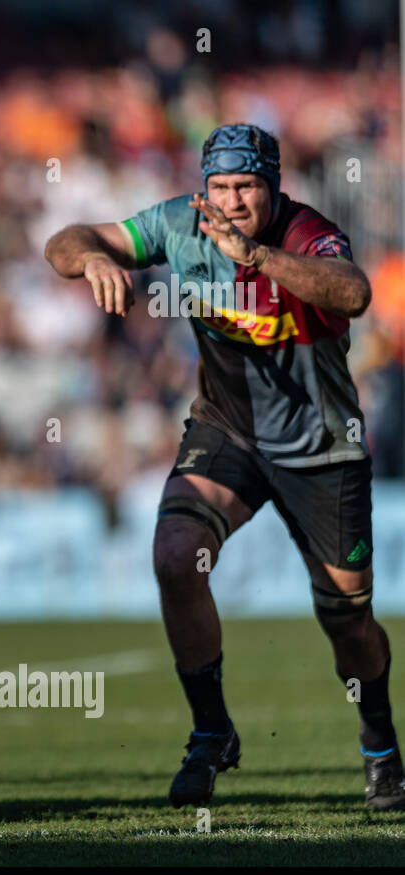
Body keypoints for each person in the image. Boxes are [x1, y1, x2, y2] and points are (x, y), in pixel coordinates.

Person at [43, 123, 399, 809]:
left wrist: (256, 256)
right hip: (227, 432)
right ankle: (211, 734)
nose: (232, 201)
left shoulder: (306, 232)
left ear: (274, 188)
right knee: (177, 556)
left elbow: (352, 293)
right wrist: (92, 260)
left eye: (246, 188)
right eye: (221, 188)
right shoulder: (179, 221)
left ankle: (380, 744)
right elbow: (67, 239)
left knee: (348, 620)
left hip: (323, 446)